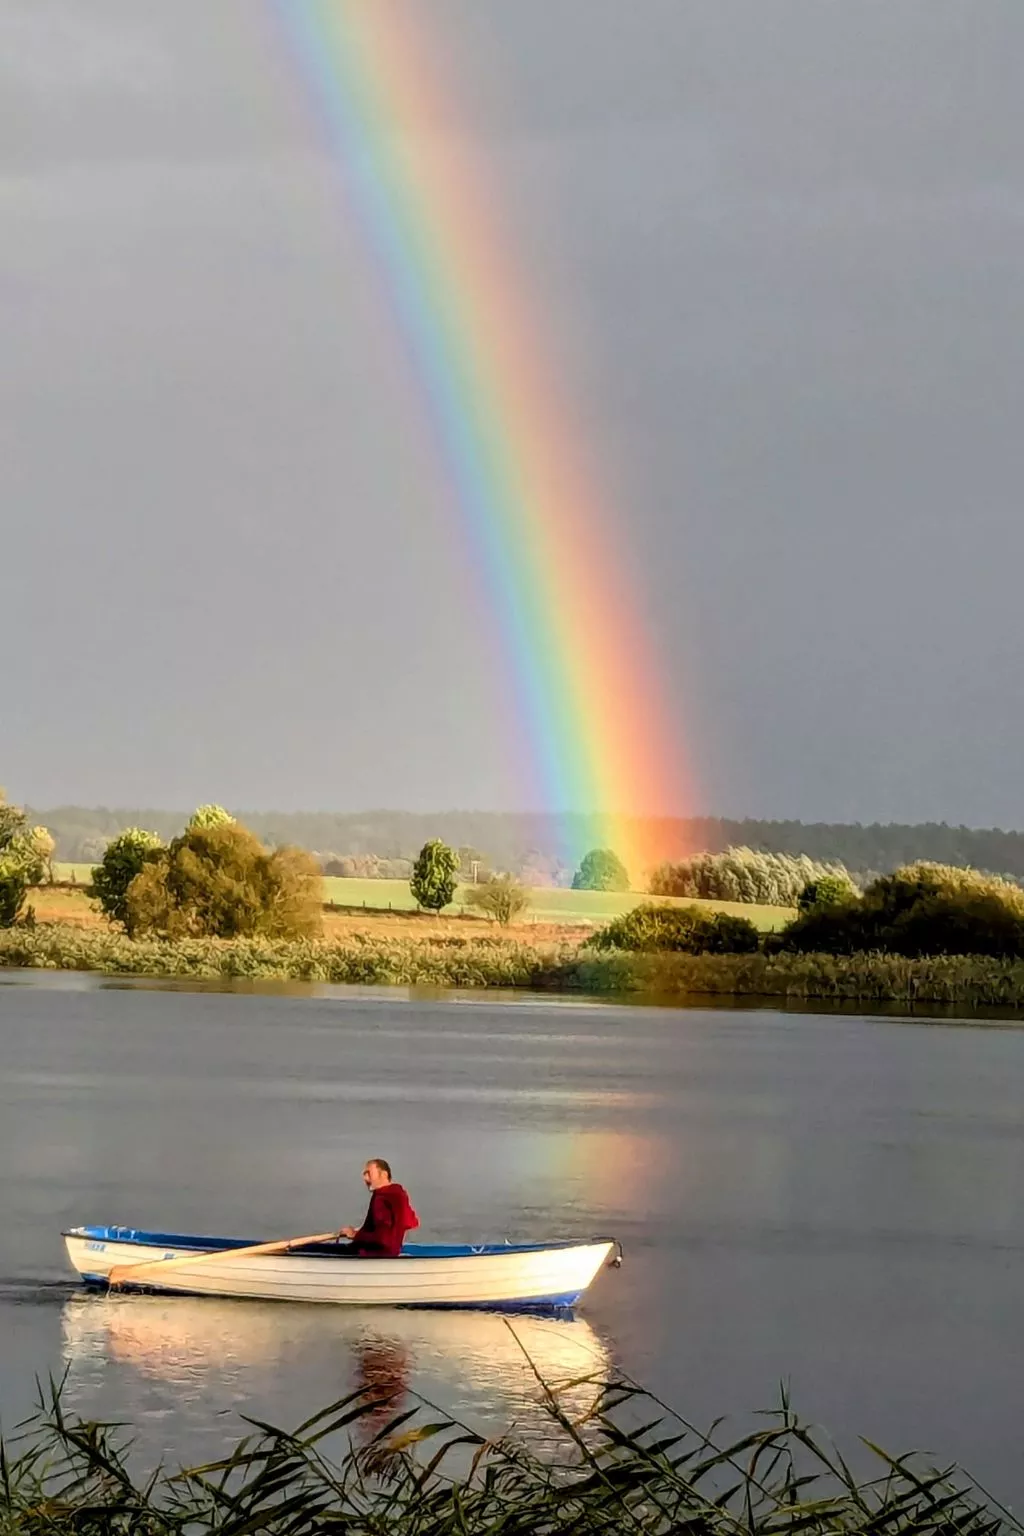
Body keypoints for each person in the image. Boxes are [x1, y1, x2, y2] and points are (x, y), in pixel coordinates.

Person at [337, 1158, 418, 1257]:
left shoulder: (383, 1198)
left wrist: (355, 1235)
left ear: (384, 1174)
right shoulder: (397, 1193)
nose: (365, 1179)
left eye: (369, 1173)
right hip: (391, 1252)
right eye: (364, 1174)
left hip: (378, 1254)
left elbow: (382, 1238)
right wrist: (359, 1232)